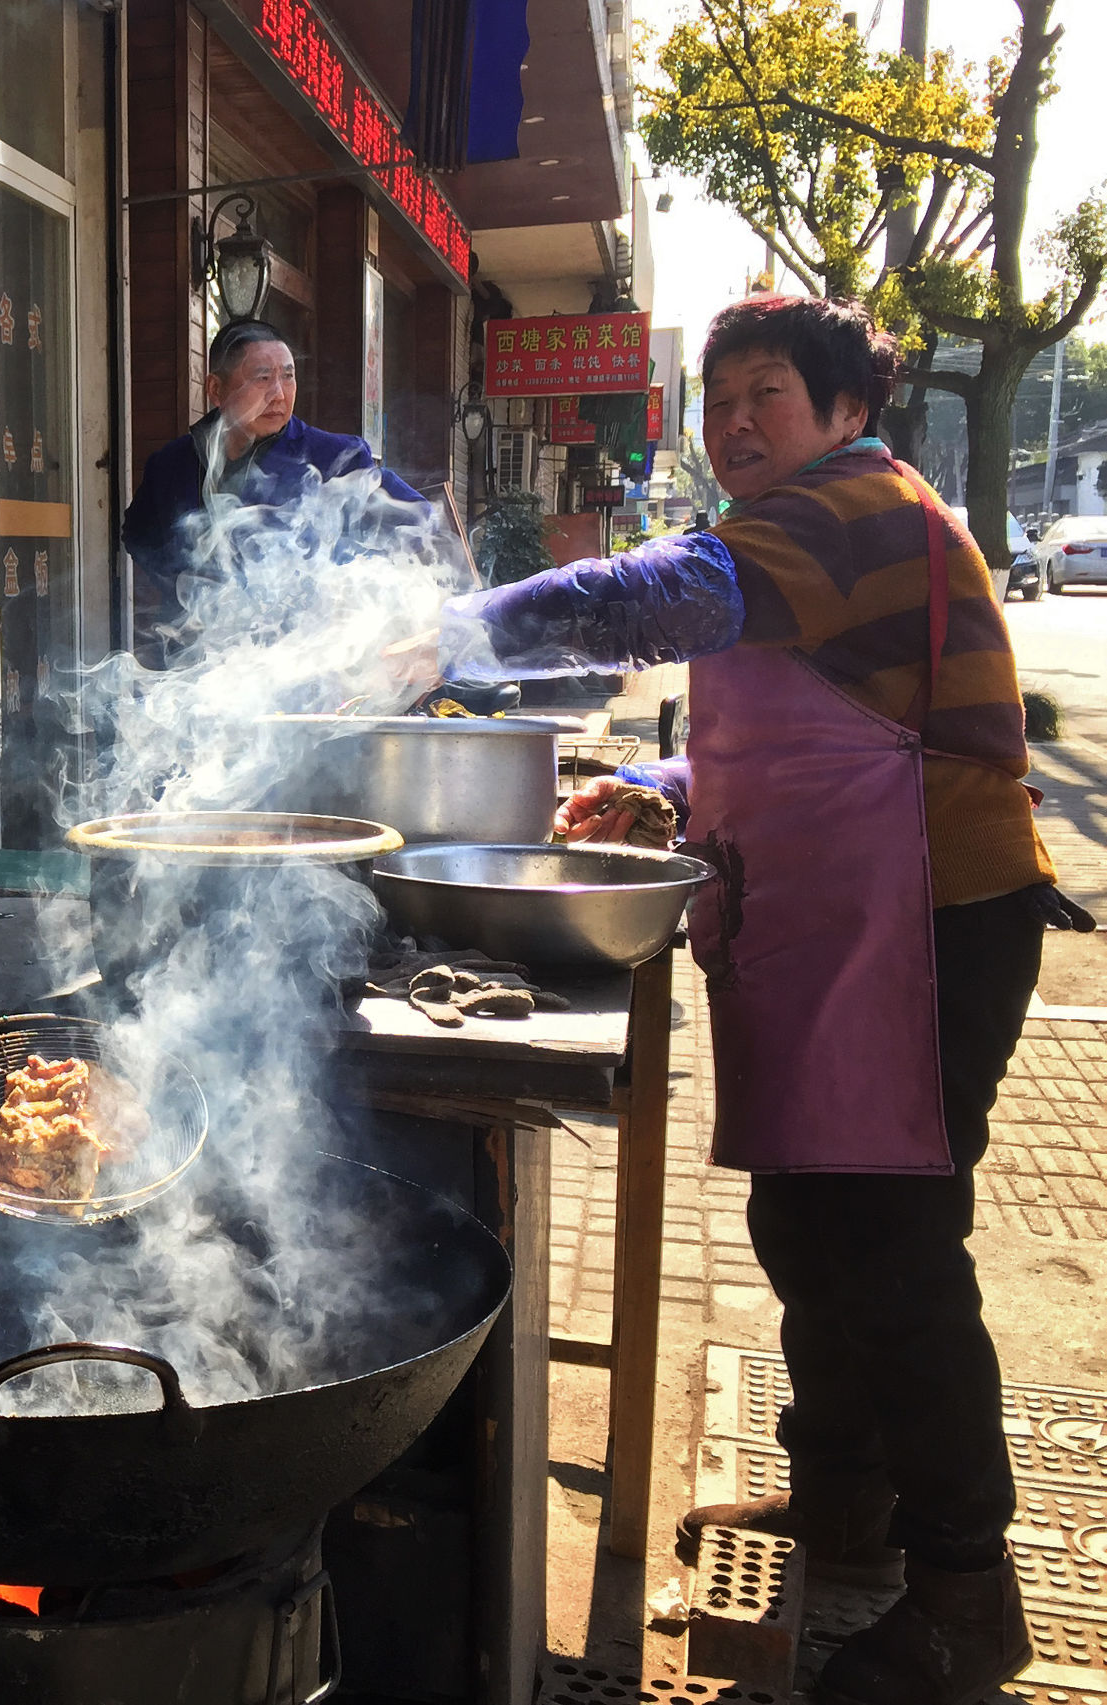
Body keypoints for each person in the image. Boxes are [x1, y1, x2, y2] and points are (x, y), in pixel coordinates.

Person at [433, 294, 1092, 1705]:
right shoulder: (813, 522)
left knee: (897, 1249)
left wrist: (445, 636)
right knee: (810, 1216)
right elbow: (810, 719)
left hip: (925, 919)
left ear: (846, 409)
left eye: (765, 396)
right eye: (720, 399)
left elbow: (649, 599)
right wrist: (666, 785)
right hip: (842, 914)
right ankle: (843, 1498)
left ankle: (969, 1600)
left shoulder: (850, 507)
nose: (735, 423)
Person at [123, 318, 426, 665]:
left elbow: (415, 521)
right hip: (199, 665)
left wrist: (350, 592)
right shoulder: (172, 465)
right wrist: (184, 591)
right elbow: (138, 537)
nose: (279, 394)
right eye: (263, 378)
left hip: (305, 665)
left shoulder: (333, 458)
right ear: (216, 389)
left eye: (288, 376)